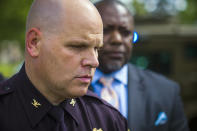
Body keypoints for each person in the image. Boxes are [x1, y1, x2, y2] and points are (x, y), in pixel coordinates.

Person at [0, 0, 128, 131]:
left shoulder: (107, 120)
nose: (94, 61)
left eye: (96, 49)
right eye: (78, 46)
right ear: (34, 43)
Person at [90, 0, 189, 131]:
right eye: (106, 30)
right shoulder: (62, 88)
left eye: (125, 33)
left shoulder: (167, 92)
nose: (117, 40)